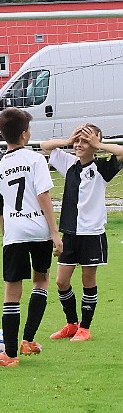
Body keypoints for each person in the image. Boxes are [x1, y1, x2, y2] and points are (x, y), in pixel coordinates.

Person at [0, 107, 63, 367]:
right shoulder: (35, 160)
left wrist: (5, 235)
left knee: (12, 291)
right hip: (39, 229)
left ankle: (11, 355)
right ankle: (27, 339)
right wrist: (54, 232)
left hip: (14, 232)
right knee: (40, 281)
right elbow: (44, 196)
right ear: (25, 134)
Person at [40, 124, 123, 342]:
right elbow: (44, 146)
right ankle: (71, 323)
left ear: (95, 144)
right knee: (61, 281)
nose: (79, 145)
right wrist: (68, 140)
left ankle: (85, 328)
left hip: (92, 234)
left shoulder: (102, 168)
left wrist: (99, 145)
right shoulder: (69, 163)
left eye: (85, 141)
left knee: (88, 279)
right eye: (78, 140)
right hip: (70, 233)